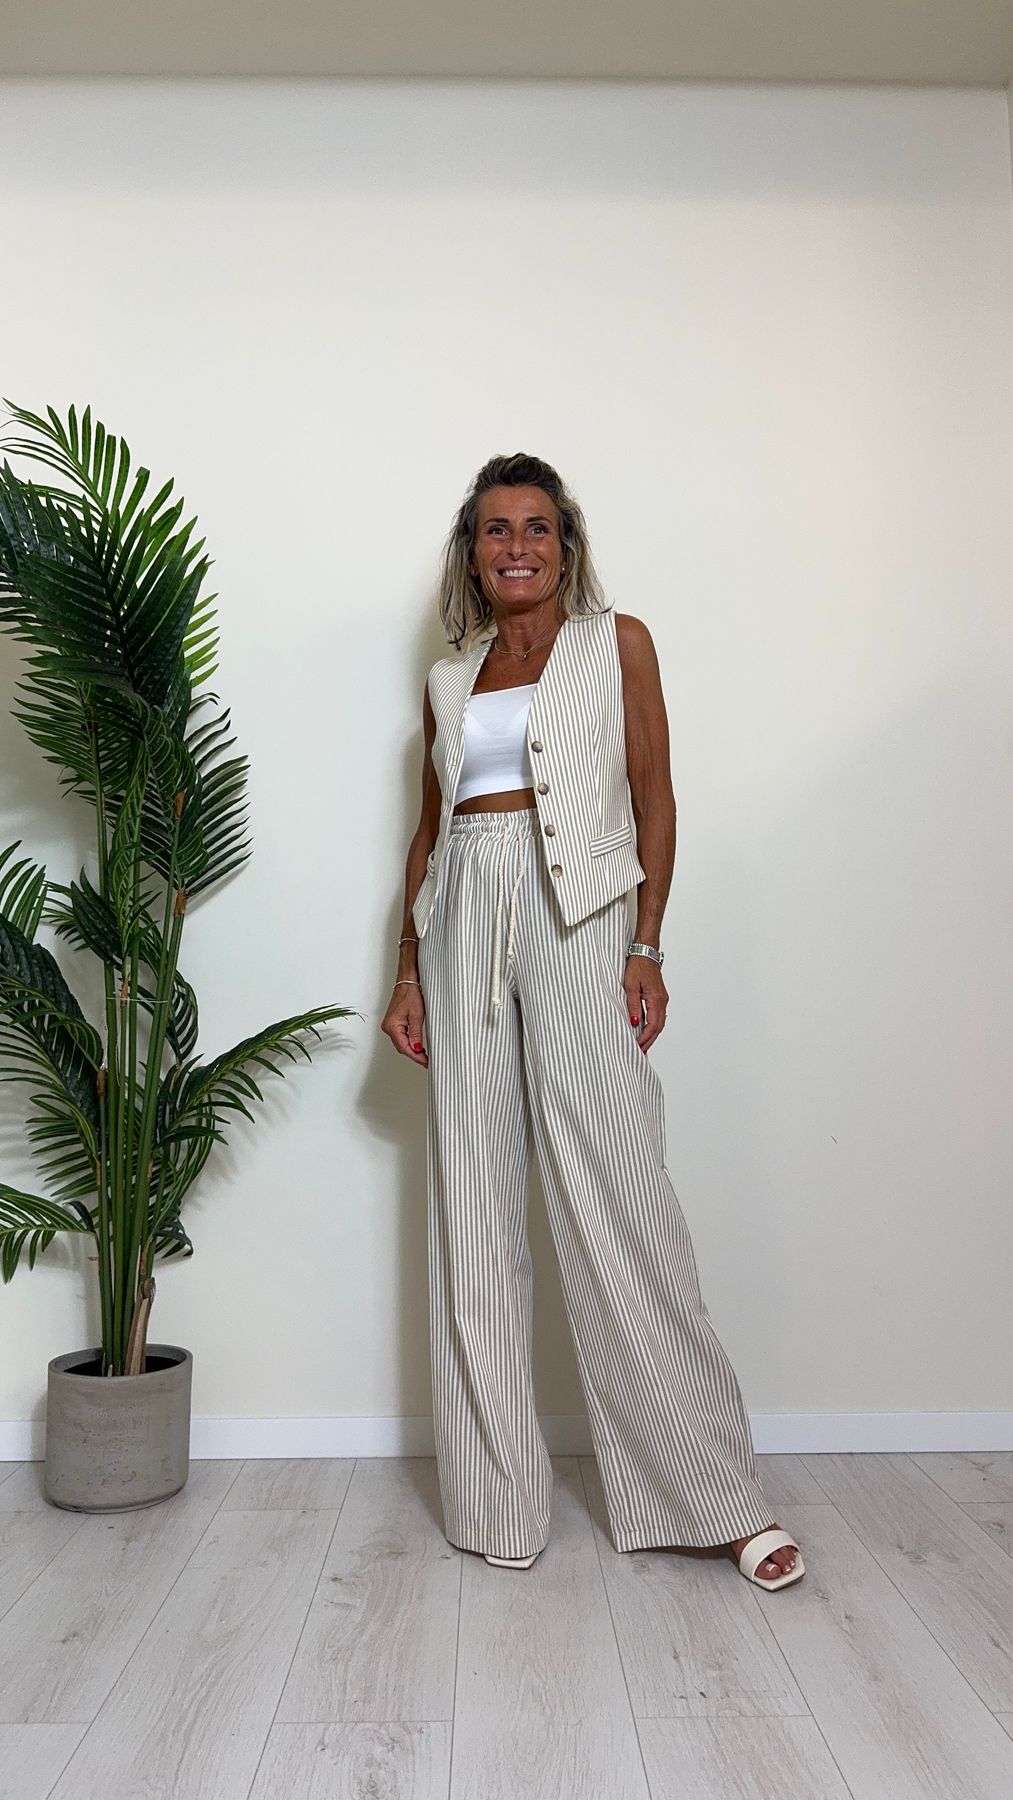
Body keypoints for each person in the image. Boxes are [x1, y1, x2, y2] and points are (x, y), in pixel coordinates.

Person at [381, 453, 804, 1590]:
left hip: (579, 915)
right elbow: (428, 829)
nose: (515, 546)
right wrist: (406, 968)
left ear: (564, 545)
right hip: (461, 917)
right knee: (472, 1206)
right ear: (471, 552)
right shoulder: (447, 678)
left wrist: (646, 943)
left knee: (621, 1193)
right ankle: (497, 1500)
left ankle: (714, 1498)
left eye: (535, 527)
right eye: (494, 529)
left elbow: (654, 796)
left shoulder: (617, 644)